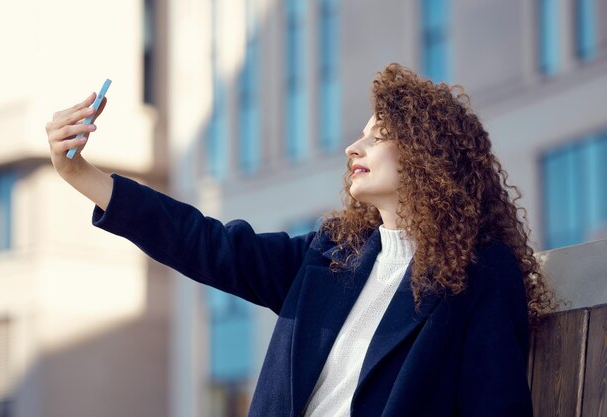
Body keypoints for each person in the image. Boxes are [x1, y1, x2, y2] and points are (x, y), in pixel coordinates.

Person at [46, 63, 560, 417]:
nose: (352, 146)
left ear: (427, 157)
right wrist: (81, 175)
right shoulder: (332, 254)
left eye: (377, 136)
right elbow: (206, 244)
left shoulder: (479, 273)